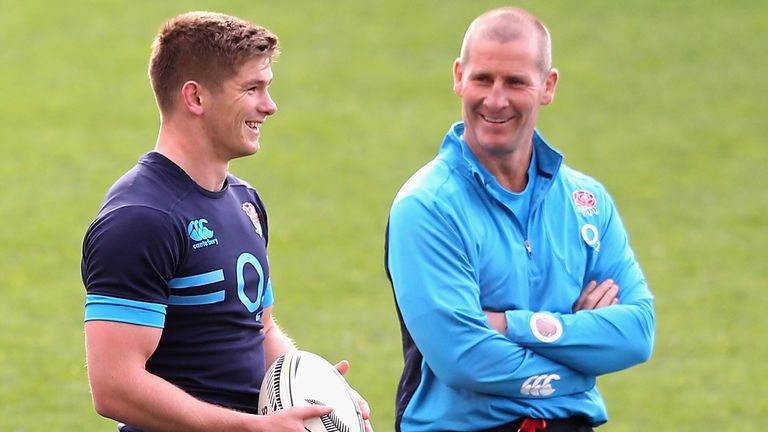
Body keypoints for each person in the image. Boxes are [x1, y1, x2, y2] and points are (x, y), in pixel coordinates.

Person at [81, 12, 371, 432]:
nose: (269, 106)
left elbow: (260, 327)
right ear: (195, 98)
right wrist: (253, 427)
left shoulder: (245, 201)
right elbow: (114, 387)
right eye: (252, 89)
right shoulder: (140, 219)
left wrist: (323, 392)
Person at [385, 6, 655, 432]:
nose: (495, 100)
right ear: (458, 76)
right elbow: (465, 359)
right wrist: (578, 360)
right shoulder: (426, 207)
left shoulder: (586, 201)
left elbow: (637, 332)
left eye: (515, 82)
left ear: (547, 86)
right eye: (482, 79)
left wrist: (510, 324)